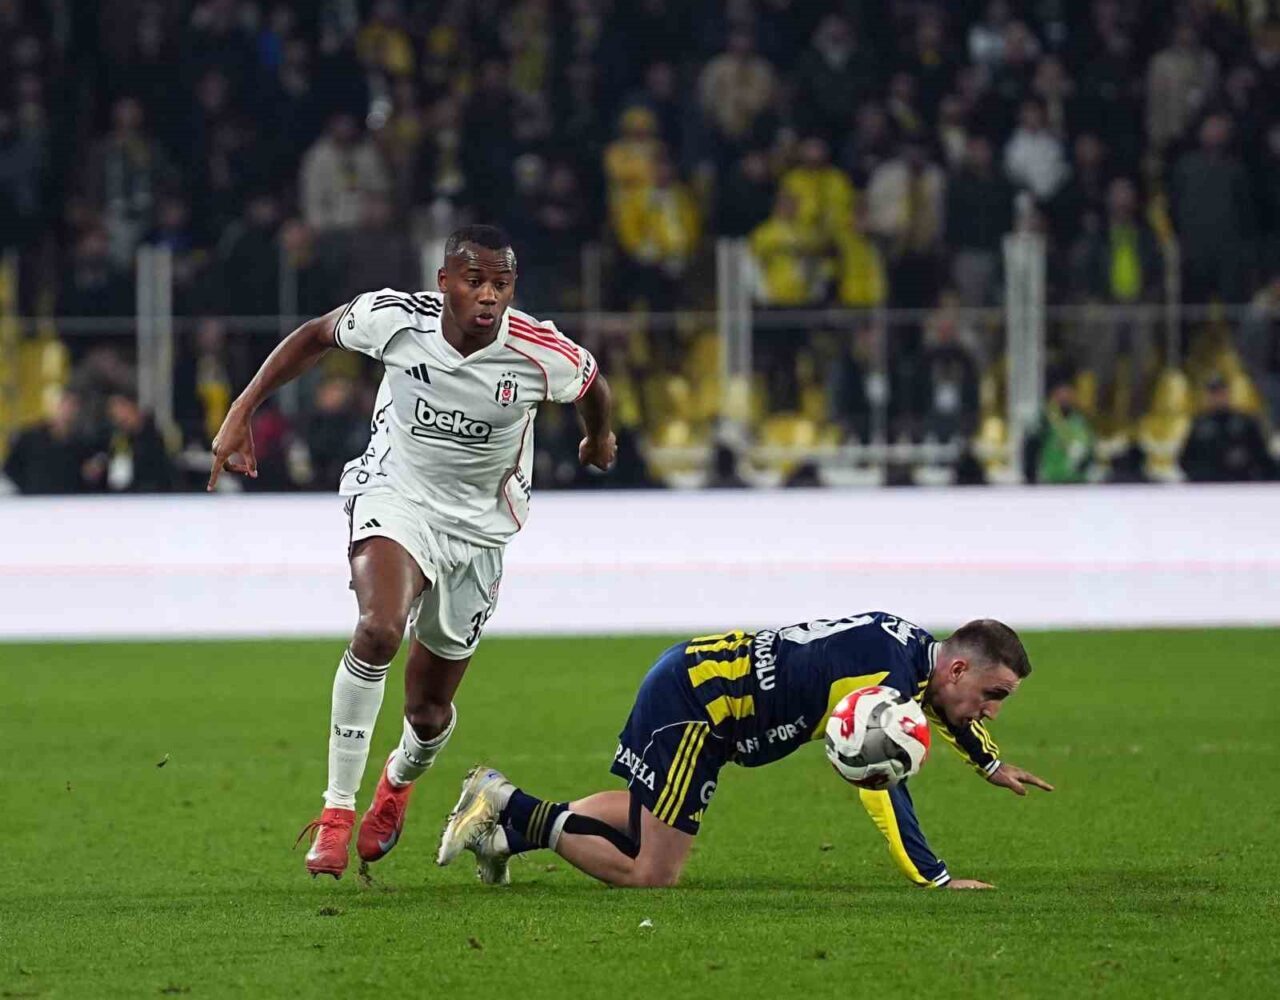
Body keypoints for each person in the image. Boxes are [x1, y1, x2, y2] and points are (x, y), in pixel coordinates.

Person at [207, 224, 615, 878]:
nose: (489, 295)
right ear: (445, 282)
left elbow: (592, 385)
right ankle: (336, 814)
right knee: (378, 628)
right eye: (475, 281)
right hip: (396, 494)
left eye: (501, 284)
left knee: (427, 712)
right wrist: (243, 408)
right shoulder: (395, 319)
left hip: (480, 531)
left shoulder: (539, 352)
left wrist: (597, 439)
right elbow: (315, 334)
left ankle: (397, 783)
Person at [437, 612, 1052, 889]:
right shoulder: (887, 685)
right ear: (960, 667)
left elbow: (945, 704)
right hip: (699, 707)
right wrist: (933, 876)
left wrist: (989, 761)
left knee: (638, 819)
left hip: (696, 678)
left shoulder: (913, 651)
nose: (991, 709)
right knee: (652, 872)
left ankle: (503, 833)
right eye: (993, 695)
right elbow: (881, 783)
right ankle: (508, 802)